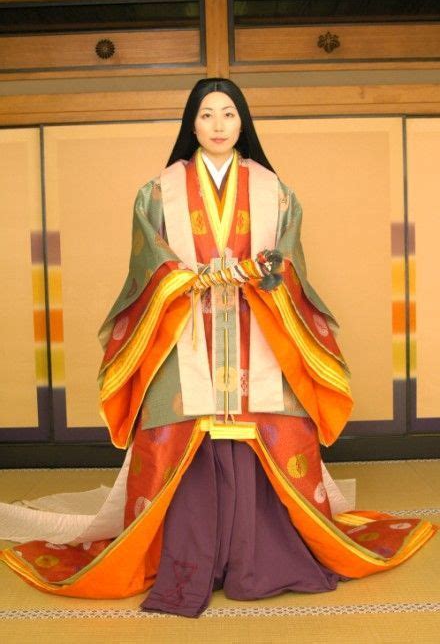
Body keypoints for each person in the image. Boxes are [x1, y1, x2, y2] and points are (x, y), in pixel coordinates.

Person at [1, 78, 436, 618]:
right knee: (175, 437)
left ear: (242, 121)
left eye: (228, 114)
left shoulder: (273, 188)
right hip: (184, 335)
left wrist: (258, 270)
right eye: (206, 115)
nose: (218, 126)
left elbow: (287, 260)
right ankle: (189, 562)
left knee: (274, 433)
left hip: (259, 334)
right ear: (191, 123)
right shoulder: (158, 191)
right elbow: (147, 266)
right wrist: (189, 279)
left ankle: (264, 558)